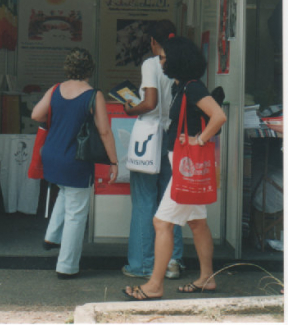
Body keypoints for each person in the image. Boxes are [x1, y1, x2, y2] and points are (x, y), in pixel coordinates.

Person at [123, 36, 226, 300]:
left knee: (161, 222)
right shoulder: (184, 86)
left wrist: (199, 139)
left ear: (178, 59)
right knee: (197, 222)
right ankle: (206, 278)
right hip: (185, 165)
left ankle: (154, 285)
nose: (162, 61)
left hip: (186, 167)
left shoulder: (192, 88)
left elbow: (219, 116)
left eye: (165, 57)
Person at [31, 47, 119, 279]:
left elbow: (36, 115)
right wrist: (113, 161)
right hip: (76, 159)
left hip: (51, 154)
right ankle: (67, 267)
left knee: (65, 192)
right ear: (89, 70)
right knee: (76, 213)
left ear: (68, 68)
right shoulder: (93, 95)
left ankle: (52, 235)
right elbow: (104, 131)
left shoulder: (55, 89)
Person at [122, 20, 185, 280]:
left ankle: (143, 265)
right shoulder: (182, 62)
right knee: (171, 201)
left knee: (144, 201)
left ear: (152, 42)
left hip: (149, 137)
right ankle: (172, 262)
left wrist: (129, 107)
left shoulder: (151, 63)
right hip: (173, 137)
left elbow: (149, 103)